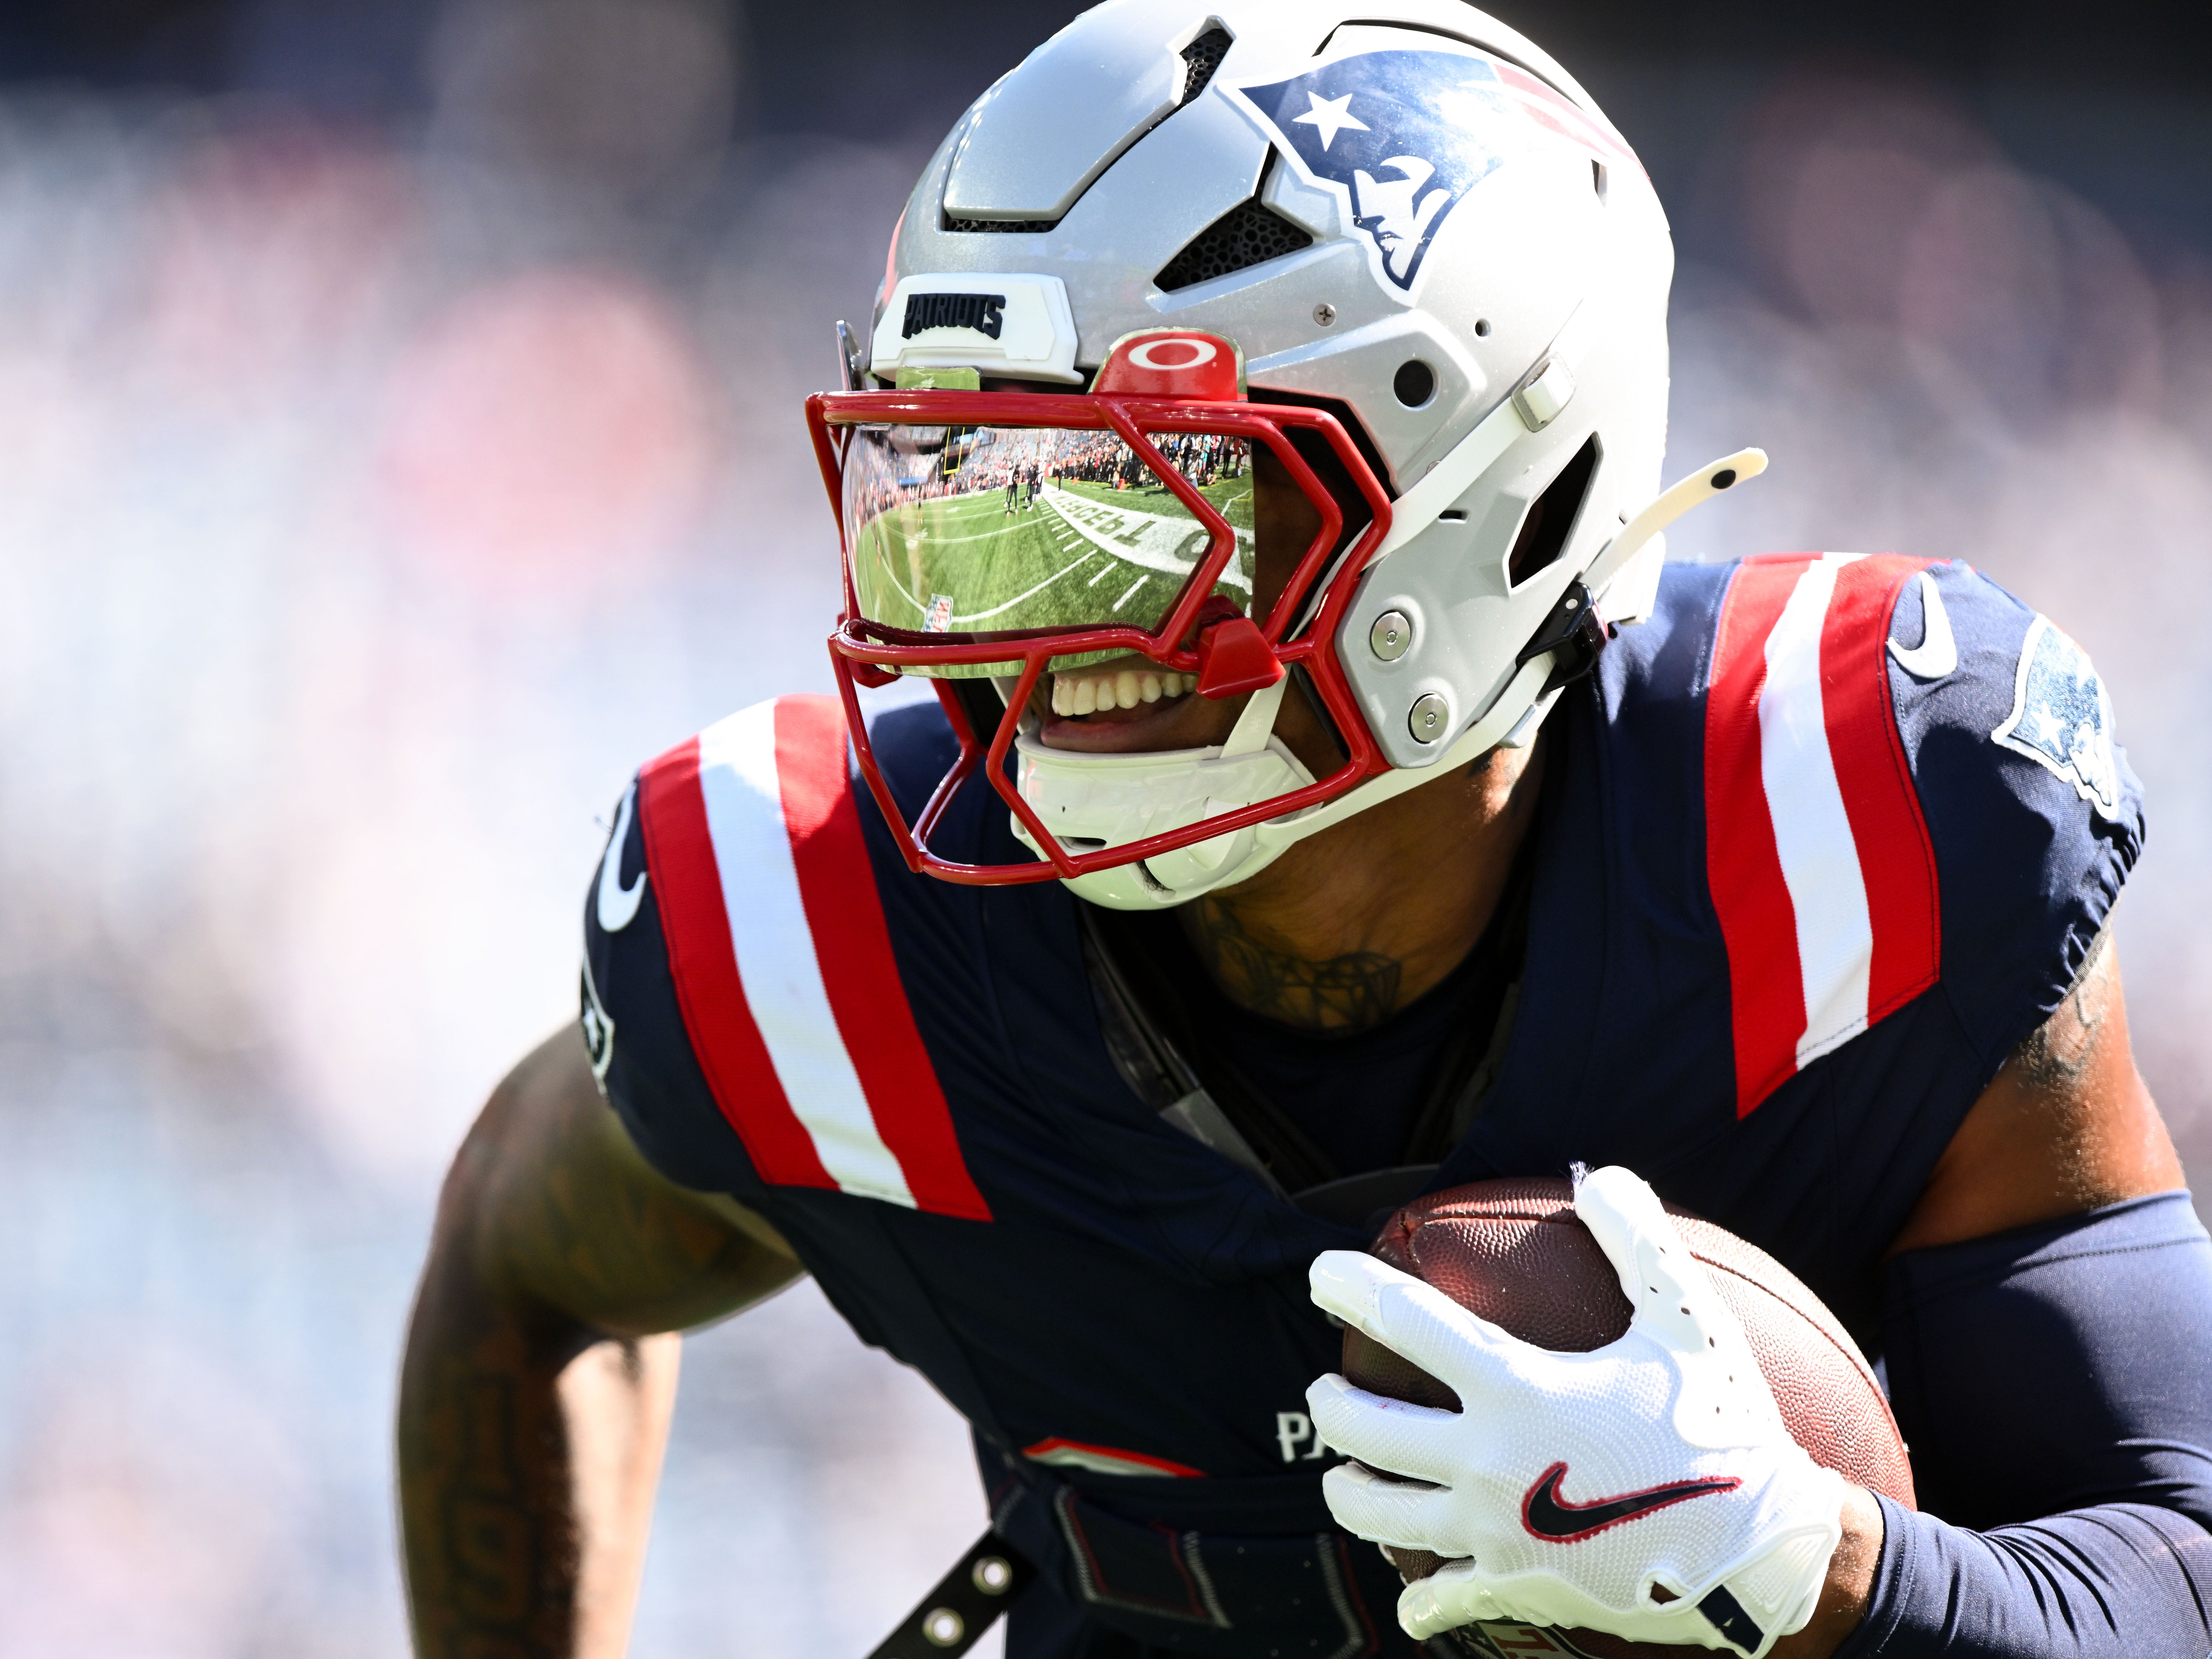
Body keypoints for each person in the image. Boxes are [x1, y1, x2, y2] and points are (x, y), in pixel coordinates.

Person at [396, 5, 2212, 1658]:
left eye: (1140, 498)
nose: (1028, 625)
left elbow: (2174, 1568)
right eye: (971, 496)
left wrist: (1810, 1560)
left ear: (1486, 486)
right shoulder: (820, 918)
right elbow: (520, 1252)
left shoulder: (1863, 819)